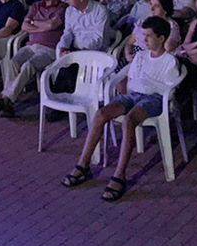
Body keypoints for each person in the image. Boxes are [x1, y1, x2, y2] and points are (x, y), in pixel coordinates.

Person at [61, 17, 180, 202]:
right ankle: (83, 164)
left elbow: (168, 90)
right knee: (101, 114)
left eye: (149, 36)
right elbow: (131, 81)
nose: (145, 40)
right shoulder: (140, 56)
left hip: (153, 98)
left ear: (162, 38)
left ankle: (120, 174)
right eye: (144, 36)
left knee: (129, 120)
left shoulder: (169, 61)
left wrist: (146, 85)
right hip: (134, 95)